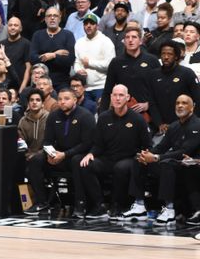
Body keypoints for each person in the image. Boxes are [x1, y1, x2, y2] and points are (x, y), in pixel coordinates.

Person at [78, 84, 151, 220]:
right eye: (115, 95)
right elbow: (98, 144)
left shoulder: (137, 119)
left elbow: (147, 145)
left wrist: (141, 157)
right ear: (111, 97)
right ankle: (99, 206)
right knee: (85, 165)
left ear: (127, 98)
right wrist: (91, 154)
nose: (117, 98)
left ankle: (117, 205)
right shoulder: (104, 117)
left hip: (130, 159)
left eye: (121, 95)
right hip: (108, 158)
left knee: (120, 168)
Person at [26, 87, 95, 214]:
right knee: (36, 160)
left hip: (77, 154)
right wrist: (50, 154)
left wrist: (64, 154)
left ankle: (80, 203)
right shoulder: (53, 116)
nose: (62, 102)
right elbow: (47, 140)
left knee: (76, 160)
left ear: (75, 100)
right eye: (60, 99)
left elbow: (87, 143)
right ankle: (41, 202)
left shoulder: (86, 116)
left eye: (66, 99)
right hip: (58, 155)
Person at [134, 95, 200, 226]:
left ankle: (169, 210)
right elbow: (161, 147)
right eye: (178, 103)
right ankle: (139, 204)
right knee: (138, 160)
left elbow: (184, 152)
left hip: (193, 165)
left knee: (166, 163)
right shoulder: (174, 126)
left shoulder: (197, 125)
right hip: (178, 163)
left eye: (184, 103)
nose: (180, 105)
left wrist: (156, 157)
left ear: (192, 107)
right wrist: (148, 154)